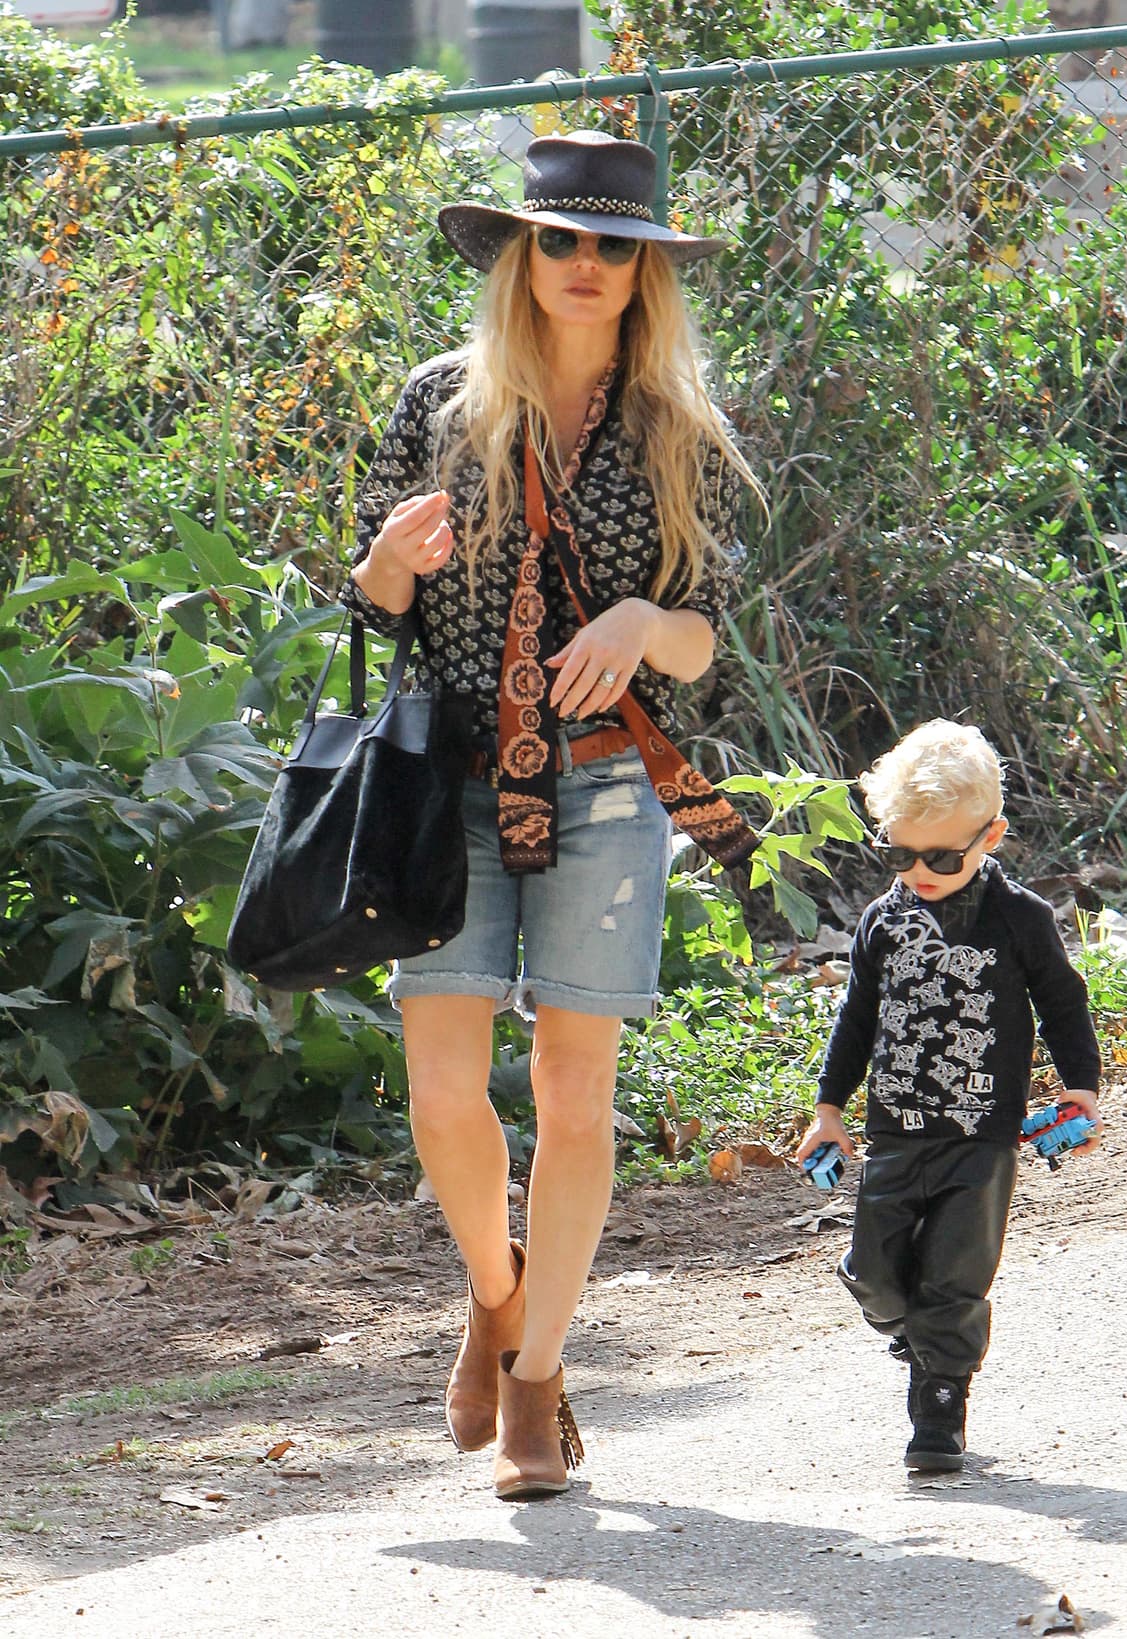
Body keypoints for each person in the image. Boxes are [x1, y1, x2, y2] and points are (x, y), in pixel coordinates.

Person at [340, 131, 761, 1499]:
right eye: (562, 239)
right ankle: (497, 1286)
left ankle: (534, 1374)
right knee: (448, 1090)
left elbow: (706, 638)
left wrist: (644, 620)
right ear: (524, 255)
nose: (586, 264)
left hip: (604, 782)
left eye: (614, 245)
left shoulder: (676, 429)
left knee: (577, 1097)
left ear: (646, 273)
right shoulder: (437, 404)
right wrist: (390, 561)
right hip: (447, 780)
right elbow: (370, 605)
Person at [796, 720, 1102, 1472]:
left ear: (989, 835)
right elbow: (856, 1020)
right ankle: (913, 1328)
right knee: (876, 1277)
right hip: (895, 1130)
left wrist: (1081, 1090)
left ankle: (939, 1405)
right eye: (898, 852)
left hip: (983, 1138)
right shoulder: (884, 922)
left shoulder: (1020, 918)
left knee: (956, 1274)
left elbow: (1064, 1003)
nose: (918, 869)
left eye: (939, 855)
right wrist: (828, 1110)